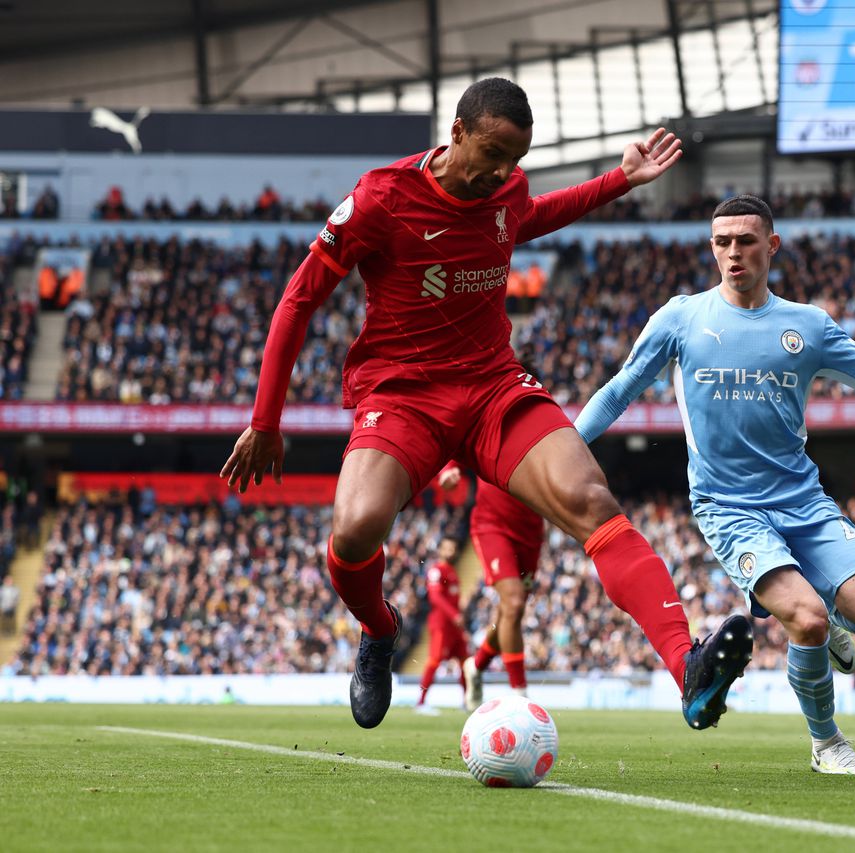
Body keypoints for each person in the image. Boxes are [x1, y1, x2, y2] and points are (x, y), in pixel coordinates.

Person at [220, 77, 751, 732]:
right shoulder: (381, 198)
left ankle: (688, 664)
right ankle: (380, 628)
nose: (502, 173)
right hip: (403, 393)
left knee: (590, 497)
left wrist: (619, 180)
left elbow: (529, 216)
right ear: (458, 132)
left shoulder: (506, 189)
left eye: (516, 161)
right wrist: (265, 420)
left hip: (493, 384)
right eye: (493, 153)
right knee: (355, 530)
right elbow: (300, 298)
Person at [574, 194, 855, 773]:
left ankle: (821, 619)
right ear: (711, 248)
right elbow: (618, 391)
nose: (733, 253)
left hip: (802, 499)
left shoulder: (807, 325)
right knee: (809, 620)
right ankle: (827, 742)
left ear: (772, 245)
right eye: (722, 242)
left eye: (746, 241)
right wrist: (561, 450)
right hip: (727, 505)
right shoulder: (681, 319)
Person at [437, 461, 544, 709]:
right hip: (491, 525)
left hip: (531, 533)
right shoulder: (490, 421)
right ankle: (521, 696)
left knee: (510, 612)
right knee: (514, 602)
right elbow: (460, 433)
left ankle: (476, 666)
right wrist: (449, 468)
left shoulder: (542, 425)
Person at [415, 538, 469, 715]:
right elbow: (435, 598)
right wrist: (454, 615)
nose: (450, 551)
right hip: (442, 624)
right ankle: (421, 703)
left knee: (465, 662)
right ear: (440, 550)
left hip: (454, 626)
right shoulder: (436, 571)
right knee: (434, 660)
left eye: (453, 548)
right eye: (447, 548)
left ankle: (467, 701)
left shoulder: (451, 570)